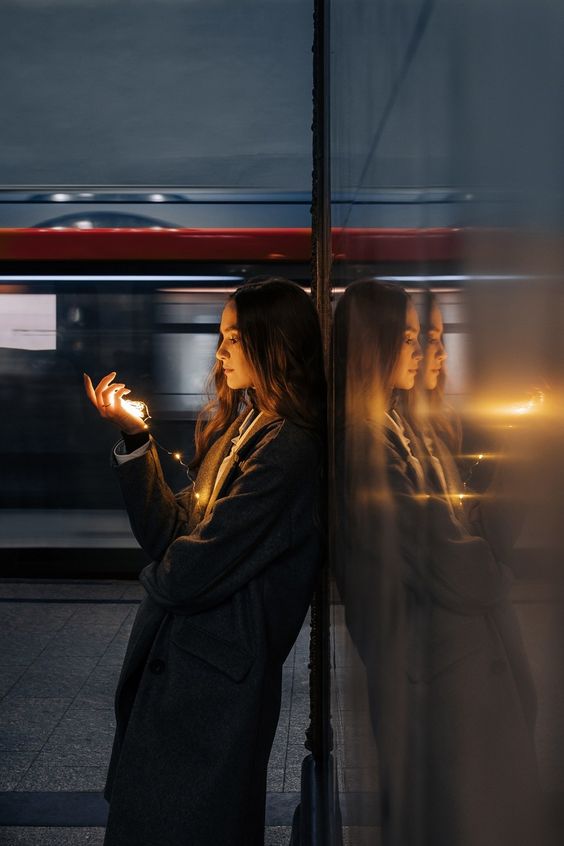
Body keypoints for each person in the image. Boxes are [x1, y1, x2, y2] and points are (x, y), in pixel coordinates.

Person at [84, 278, 325, 846]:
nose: (221, 351)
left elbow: (189, 571)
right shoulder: (245, 427)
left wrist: (161, 578)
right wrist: (136, 439)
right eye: (222, 337)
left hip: (215, 685)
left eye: (235, 338)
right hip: (193, 672)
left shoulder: (289, 446)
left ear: (275, 343)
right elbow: (170, 534)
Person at [333, 279, 543, 846]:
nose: (423, 353)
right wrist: (494, 570)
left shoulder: (399, 429)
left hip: (444, 672)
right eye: (408, 338)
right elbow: (457, 566)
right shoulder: (372, 442)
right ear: (374, 346)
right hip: (439, 680)